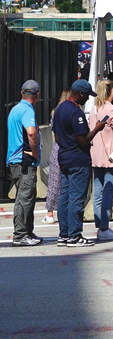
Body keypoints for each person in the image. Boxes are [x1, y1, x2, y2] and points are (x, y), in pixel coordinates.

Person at [52, 79, 108, 247]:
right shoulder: (76, 113)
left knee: (65, 197)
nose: (87, 100)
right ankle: (75, 236)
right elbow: (83, 141)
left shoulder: (60, 109)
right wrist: (97, 128)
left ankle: (64, 234)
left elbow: (56, 136)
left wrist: (66, 145)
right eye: (86, 96)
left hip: (64, 157)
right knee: (77, 198)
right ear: (80, 94)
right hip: (78, 159)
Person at [89, 79, 113, 241]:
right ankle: (104, 227)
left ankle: (100, 226)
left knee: (97, 193)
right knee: (108, 192)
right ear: (111, 91)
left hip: (96, 154)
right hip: (112, 156)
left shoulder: (93, 109)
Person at [7, 79, 42, 246]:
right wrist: (35, 153)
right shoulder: (27, 110)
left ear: (22, 93)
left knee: (26, 197)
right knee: (25, 198)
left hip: (15, 159)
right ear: (37, 95)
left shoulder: (15, 109)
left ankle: (27, 232)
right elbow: (31, 132)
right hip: (24, 160)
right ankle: (21, 235)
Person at [43, 87, 71, 227]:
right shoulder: (72, 113)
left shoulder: (55, 113)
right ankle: (64, 211)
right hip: (69, 148)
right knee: (67, 182)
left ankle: (49, 213)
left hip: (57, 148)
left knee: (54, 181)